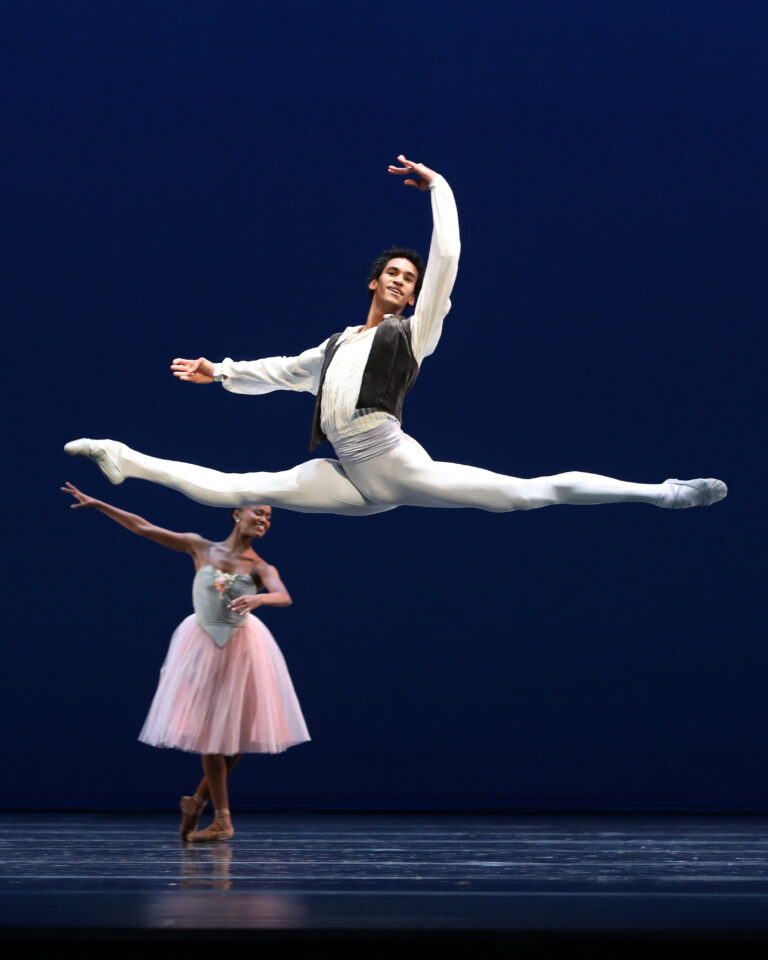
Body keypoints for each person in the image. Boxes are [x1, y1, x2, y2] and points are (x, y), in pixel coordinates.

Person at [65, 154, 726, 515]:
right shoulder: (334, 346)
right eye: (396, 274)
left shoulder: (413, 335)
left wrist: (439, 187)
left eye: (411, 278)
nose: (406, 282)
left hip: (394, 463)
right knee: (241, 487)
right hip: (347, 476)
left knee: (527, 494)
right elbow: (278, 372)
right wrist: (222, 371)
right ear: (375, 281)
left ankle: (663, 493)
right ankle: (125, 458)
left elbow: (450, 259)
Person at [61, 481, 310, 841]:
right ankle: (222, 820)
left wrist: (261, 600)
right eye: (259, 512)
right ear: (236, 513)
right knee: (212, 730)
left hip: (243, 647)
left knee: (235, 739)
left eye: (269, 517)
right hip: (203, 644)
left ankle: (196, 803)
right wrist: (100, 504)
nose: (264, 520)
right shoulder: (200, 547)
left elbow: (283, 595)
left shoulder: (260, 566)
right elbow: (143, 526)